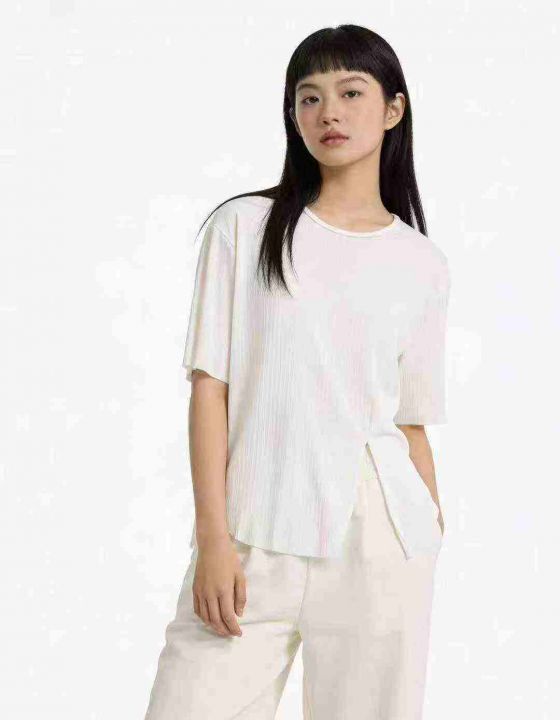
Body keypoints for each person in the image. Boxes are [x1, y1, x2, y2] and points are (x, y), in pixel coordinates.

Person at [144, 23, 451, 720]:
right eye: (309, 98)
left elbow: (411, 421)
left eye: (350, 92)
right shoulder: (244, 229)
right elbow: (210, 390)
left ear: (393, 109)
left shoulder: (421, 263)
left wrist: (431, 532)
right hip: (252, 535)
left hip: (380, 541)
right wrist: (213, 539)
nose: (328, 112)